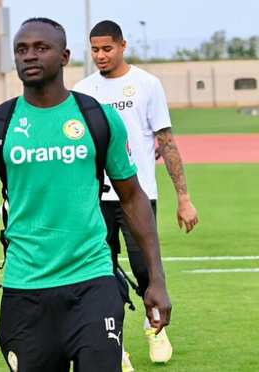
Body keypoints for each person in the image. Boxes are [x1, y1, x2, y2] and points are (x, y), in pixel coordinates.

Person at [0, 17, 172, 372]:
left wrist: (156, 279)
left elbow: (133, 197)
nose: (30, 56)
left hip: (92, 280)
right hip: (25, 287)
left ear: (65, 55)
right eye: (21, 49)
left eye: (41, 48)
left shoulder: (97, 117)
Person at [73, 20, 199, 369]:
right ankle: (115, 345)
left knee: (146, 270)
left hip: (137, 196)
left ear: (123, 46)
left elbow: (167, 142)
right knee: (102, 274)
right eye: (95, 49)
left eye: (107, 49)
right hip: (94, 200)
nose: (100, 55)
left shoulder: (146, 84)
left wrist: (184, 198)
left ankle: (155, 328)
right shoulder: (82, 90)